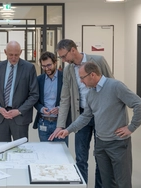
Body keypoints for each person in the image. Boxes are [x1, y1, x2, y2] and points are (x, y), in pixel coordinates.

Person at [56, 62, 141, 188]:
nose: (81, 82)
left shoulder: (115, 86)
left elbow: (139, 104)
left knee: (122, 183)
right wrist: (68, 130)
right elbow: (86, 116)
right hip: (101, 144)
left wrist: (131, 127)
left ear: (92, 75)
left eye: (82, 78)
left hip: (118, 144)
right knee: (106, 182)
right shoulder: (91, 93)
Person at [49, 39, 114, 187]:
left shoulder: (98, 60)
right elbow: (65, 98)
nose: (63, 60)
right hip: (81, 117)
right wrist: (60, 125)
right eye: (60, 58)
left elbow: (111, 85)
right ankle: (82, 185)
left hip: (100, 116)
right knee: (80, 157)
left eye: (64, 56)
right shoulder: (68, 69)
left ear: (73, 50)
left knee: (100, 157)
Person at [0, 40, 39, 142]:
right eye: (10, 55)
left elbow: (34, 95)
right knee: (3, 150)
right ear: (5, 52)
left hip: (20, 118)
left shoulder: (29, 68)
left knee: (21, 151)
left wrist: (19, 111)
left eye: (16, 55)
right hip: (2, 117)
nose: (13, 58)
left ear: (21, 52)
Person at [33, 51, 70, 144]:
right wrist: (41, 109)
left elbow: (71, 98)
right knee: (45, 152)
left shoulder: (64, 78)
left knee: (61, 153)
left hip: (59, 122)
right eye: (44, 66)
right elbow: (34, 99)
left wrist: (60, 109)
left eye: (49, 65)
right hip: (43, 122)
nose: (46, 68)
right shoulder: (39, 79)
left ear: (55, 63)